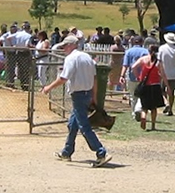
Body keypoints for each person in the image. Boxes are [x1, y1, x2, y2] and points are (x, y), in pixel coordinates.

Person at [42, 35, 112, 167]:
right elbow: (95, 78)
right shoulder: (87, 57)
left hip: (79, 95)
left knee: (84, 126)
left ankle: (101, 152)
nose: (64, 49)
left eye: (65, 46)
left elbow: (63, 78)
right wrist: (94, 96)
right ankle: (66, 152)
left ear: (71, 45)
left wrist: (48, 87)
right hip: (87, 94)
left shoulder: (71, 58)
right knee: (72, 125)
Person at [132, 44, 169, 130]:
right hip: (155, 86)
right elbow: (163, 74)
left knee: (144, 106)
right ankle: (153, 126)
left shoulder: (143, 59)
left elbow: (133, 67)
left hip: (145, 86)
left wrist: (138, 77)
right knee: (153, 108)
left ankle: (143, 116)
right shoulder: (158, 62)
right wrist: (167, 86)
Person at [120, 36, 148, 119]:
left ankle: (134, 112)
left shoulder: (129, 52)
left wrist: (122, 75)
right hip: (143, 76)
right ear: (142, 42)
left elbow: (125, 65)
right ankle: (139, 109)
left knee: (133, 96)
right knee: (142, 95)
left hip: (131, 77)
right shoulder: (145, 51)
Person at [158, 32, 175, 116]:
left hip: (164, 72)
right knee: (171, 92)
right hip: (174, 73)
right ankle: (170, 109)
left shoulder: (162, 48)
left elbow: (159, 61)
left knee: (161, 90)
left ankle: (166, 103)